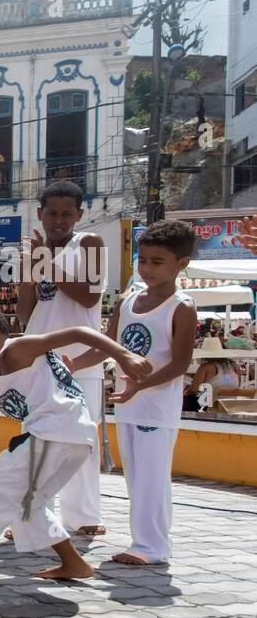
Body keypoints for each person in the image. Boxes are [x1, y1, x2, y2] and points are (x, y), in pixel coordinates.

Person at [0, 308, 150, 581]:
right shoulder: (6, 362)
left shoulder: (17, 348)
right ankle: (73, 563)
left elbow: (79, 332)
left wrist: (124, 354)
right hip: (68, 436)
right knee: (27, 504)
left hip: (55, 433)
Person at [69, 220, 198, 566]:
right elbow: (108, 347)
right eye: (143, 260)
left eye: (158, 262)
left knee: (153, 479)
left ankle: (153, 546)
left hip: (157, 406)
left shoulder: (181, 306)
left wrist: (141, 385)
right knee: (136, 477)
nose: (148, 269)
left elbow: (180, 363)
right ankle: (144, 541)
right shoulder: (128, 302)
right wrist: (73, 364)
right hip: (126, 404)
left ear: (180, 264)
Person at [15, 180, 108, 538]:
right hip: (41, 358)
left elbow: (89, 295)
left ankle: (83, 516)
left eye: (66, 213)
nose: (58, 220)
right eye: (51, 213)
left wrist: (45, 261)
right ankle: (33, 515)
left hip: (80, 359)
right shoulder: (33, 252)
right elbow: (25, 314)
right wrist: (28, 273)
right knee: (38, 438)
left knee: (81, 441)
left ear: (79, 215)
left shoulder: (90, 244)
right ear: (39, 214)